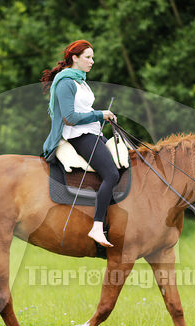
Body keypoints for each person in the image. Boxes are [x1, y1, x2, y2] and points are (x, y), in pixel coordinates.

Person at [41, 40, 118, 248]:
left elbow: (83, 111)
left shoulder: (81, 80)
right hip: (79, 137)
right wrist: (99, 114)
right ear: (75, 58)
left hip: (91, 133)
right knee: (111, 174)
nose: (92, 61)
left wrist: (103, 118)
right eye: (88, 57)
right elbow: (70, 117)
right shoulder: (66, 82)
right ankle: (97, 226)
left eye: (92, 57)